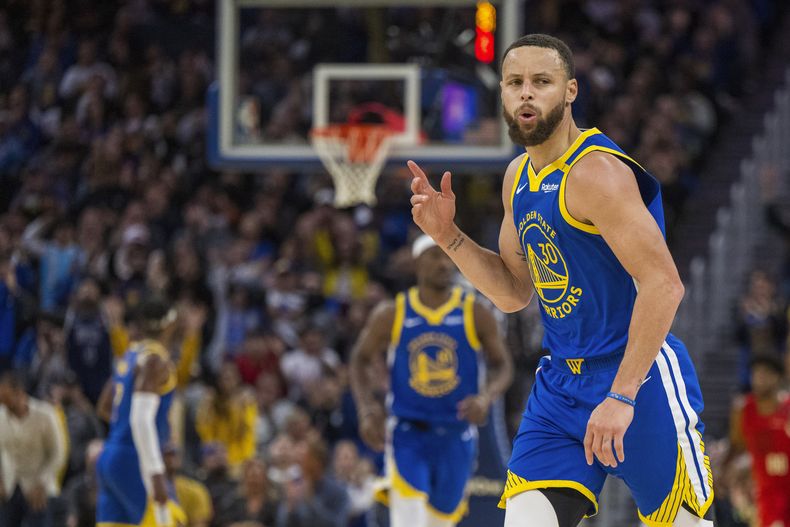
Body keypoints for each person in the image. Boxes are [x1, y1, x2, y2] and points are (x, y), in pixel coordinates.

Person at [408, 33, 714, 527]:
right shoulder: (517, 178)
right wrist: (449, 237)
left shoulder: (597, 174)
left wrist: (620, 396)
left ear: (570, 91)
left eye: (541, 82)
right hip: (561, 384)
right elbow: (513, 292)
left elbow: (664, 284)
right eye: (515, 83)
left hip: (637, 377)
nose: (526, 93)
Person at [350, 235, 513, 527]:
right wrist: (366, 408)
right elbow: (359, 360)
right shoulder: (392, 313)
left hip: (457, 434)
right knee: (409, 519)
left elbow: (503, 366)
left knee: (440, 522)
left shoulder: (474, 311)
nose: (443, 264)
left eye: (448, 258)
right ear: (417, 264)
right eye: (434, 257)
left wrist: (486, 397)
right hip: (408, 433)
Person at [95, 297, 186, 526]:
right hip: (134, 459)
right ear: (168, 324)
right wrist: (155, 473)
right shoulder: (155, 360)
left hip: (110, 454)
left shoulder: (130, 354)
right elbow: (140, 420)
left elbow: (105, 406)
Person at [729, 354, 790, 527]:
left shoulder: (787, 408)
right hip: (765, 493)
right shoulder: (742, 410)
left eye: (764, 374)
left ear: (776, 377)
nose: (758, 379)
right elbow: (737, 447)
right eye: (755, 374)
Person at [0, 369, 67, 527]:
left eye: (6, 397)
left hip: (39, 488)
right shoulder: (1, 416)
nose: (3, 401)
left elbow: (58, 454)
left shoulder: (45, 414)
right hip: (10, 486)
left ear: (19, 393)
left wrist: (42, 483)